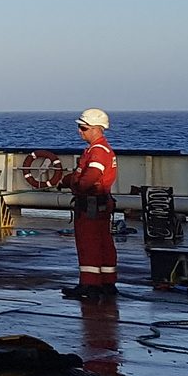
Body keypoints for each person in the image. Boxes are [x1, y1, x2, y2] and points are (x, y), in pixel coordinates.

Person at [62, 108, 118, 302]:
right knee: (103, 242)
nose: (80, 131)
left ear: (96, 128)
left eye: (83, 127)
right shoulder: (101, 150)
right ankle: (106, 282)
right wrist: (66, 180)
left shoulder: (97, 151)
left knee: (89, 243)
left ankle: (90, 285)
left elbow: (90, 177)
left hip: (90, 205)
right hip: (101, 203)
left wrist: (75, 185)